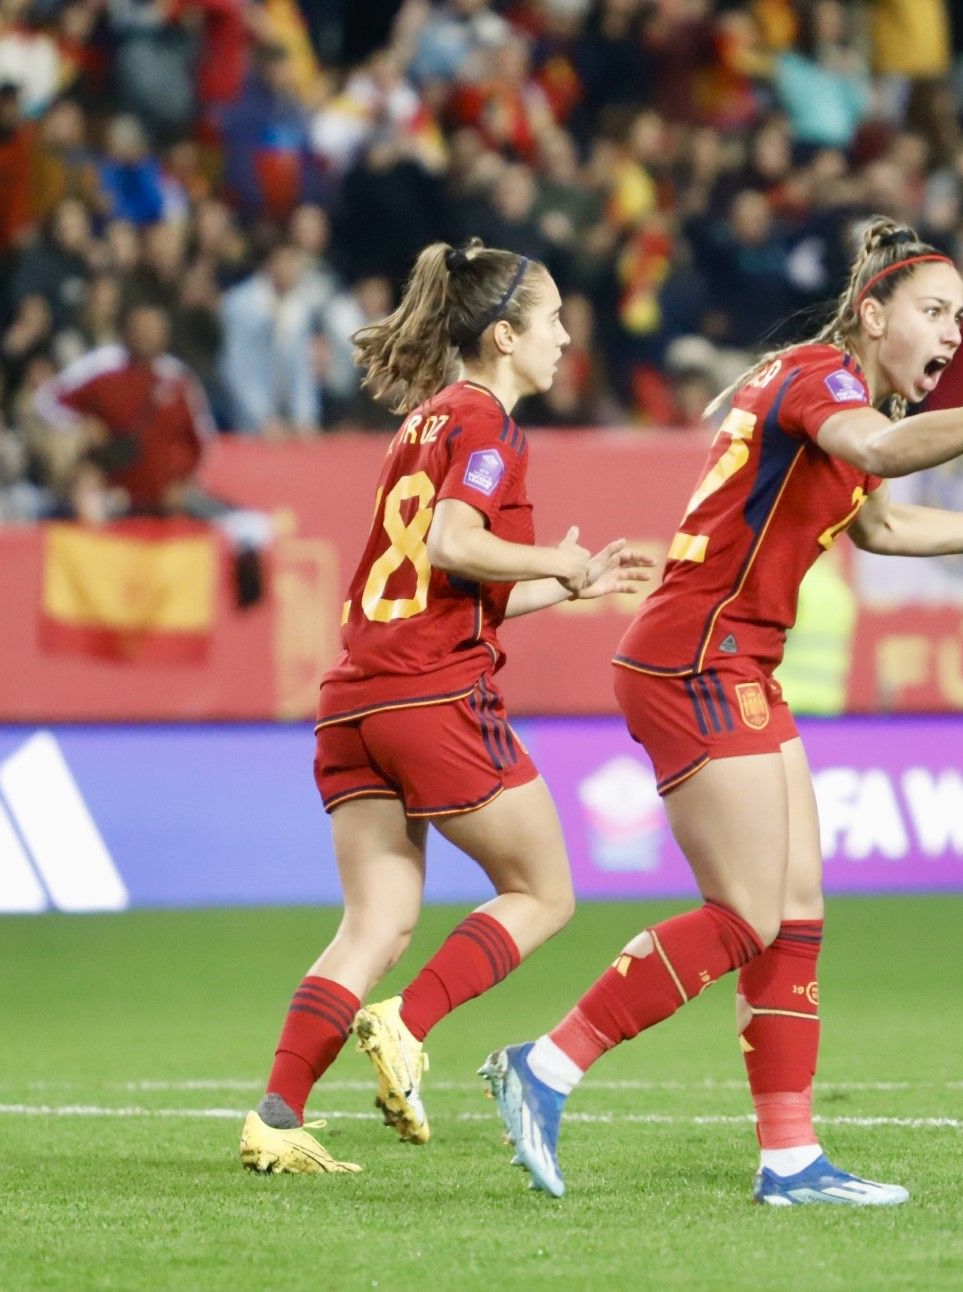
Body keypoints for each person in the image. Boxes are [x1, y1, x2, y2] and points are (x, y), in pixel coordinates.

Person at [479, 219, 963, 1206]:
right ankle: (543, 1067)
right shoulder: (825, 384)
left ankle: (790, 1157)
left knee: (794, 909)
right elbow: (881, 451)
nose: (949, 333)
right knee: (747, 911)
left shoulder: (836, 391)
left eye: (960, 320)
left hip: (735, 661)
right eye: (932, 312)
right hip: (694, 657)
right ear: (872, 312)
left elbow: (876, 518)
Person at [237, 240, 653, 1174]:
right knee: (546, 891)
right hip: (431, 694)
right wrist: (555, 560)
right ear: (505, 336)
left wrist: (569, 584)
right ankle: (408, 1024)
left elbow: (448, 575)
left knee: (375, 922)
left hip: (354, 701)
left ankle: (275, 1113)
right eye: (551, 319)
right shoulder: (491, 425)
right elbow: (458, 541)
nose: (565, 335)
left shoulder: (425, 421)